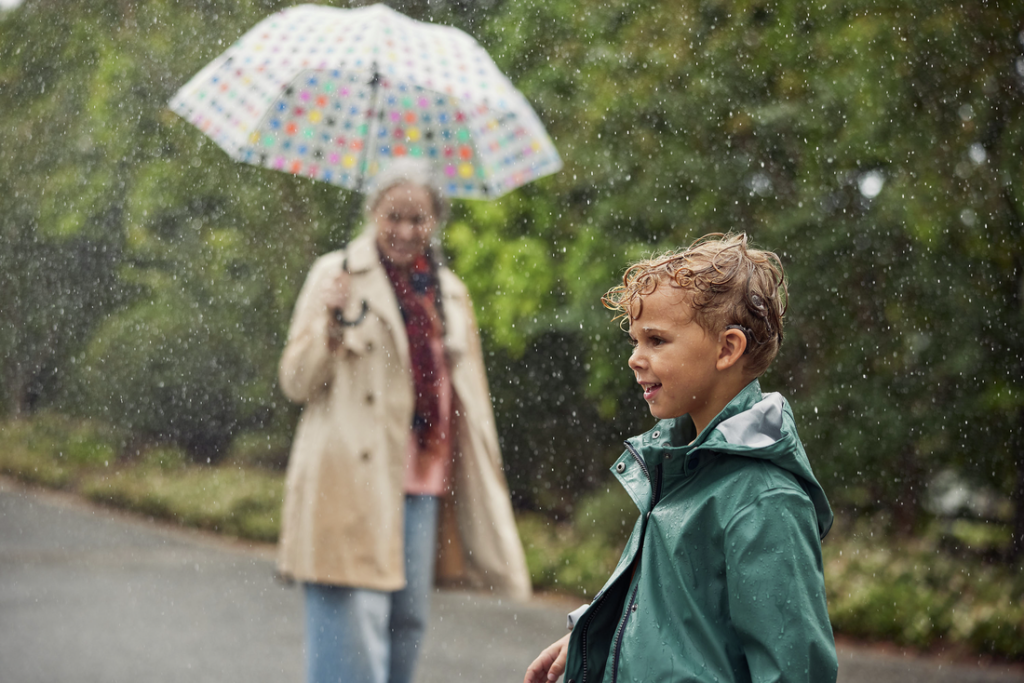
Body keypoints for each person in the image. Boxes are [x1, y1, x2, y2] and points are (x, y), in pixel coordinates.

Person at [524, 233, 838, 683]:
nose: (635, 358)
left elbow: (795, 672)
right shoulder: (678, 468)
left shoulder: (764, 500)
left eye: (656, 340)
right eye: (634, 341)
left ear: (727, 349)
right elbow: (672, 615)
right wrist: (595, 632)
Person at [277, 158, 532, 683]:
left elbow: (468, 393)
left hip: (424, 477)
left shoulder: (449, 291)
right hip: (350, 474)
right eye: (393, 215)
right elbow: (295, 382)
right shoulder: (336, 275)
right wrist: (329, 321)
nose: (404, 230)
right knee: (352, 617)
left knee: (405, 621)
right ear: (373, 211)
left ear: (435, 220)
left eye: (418, 218)